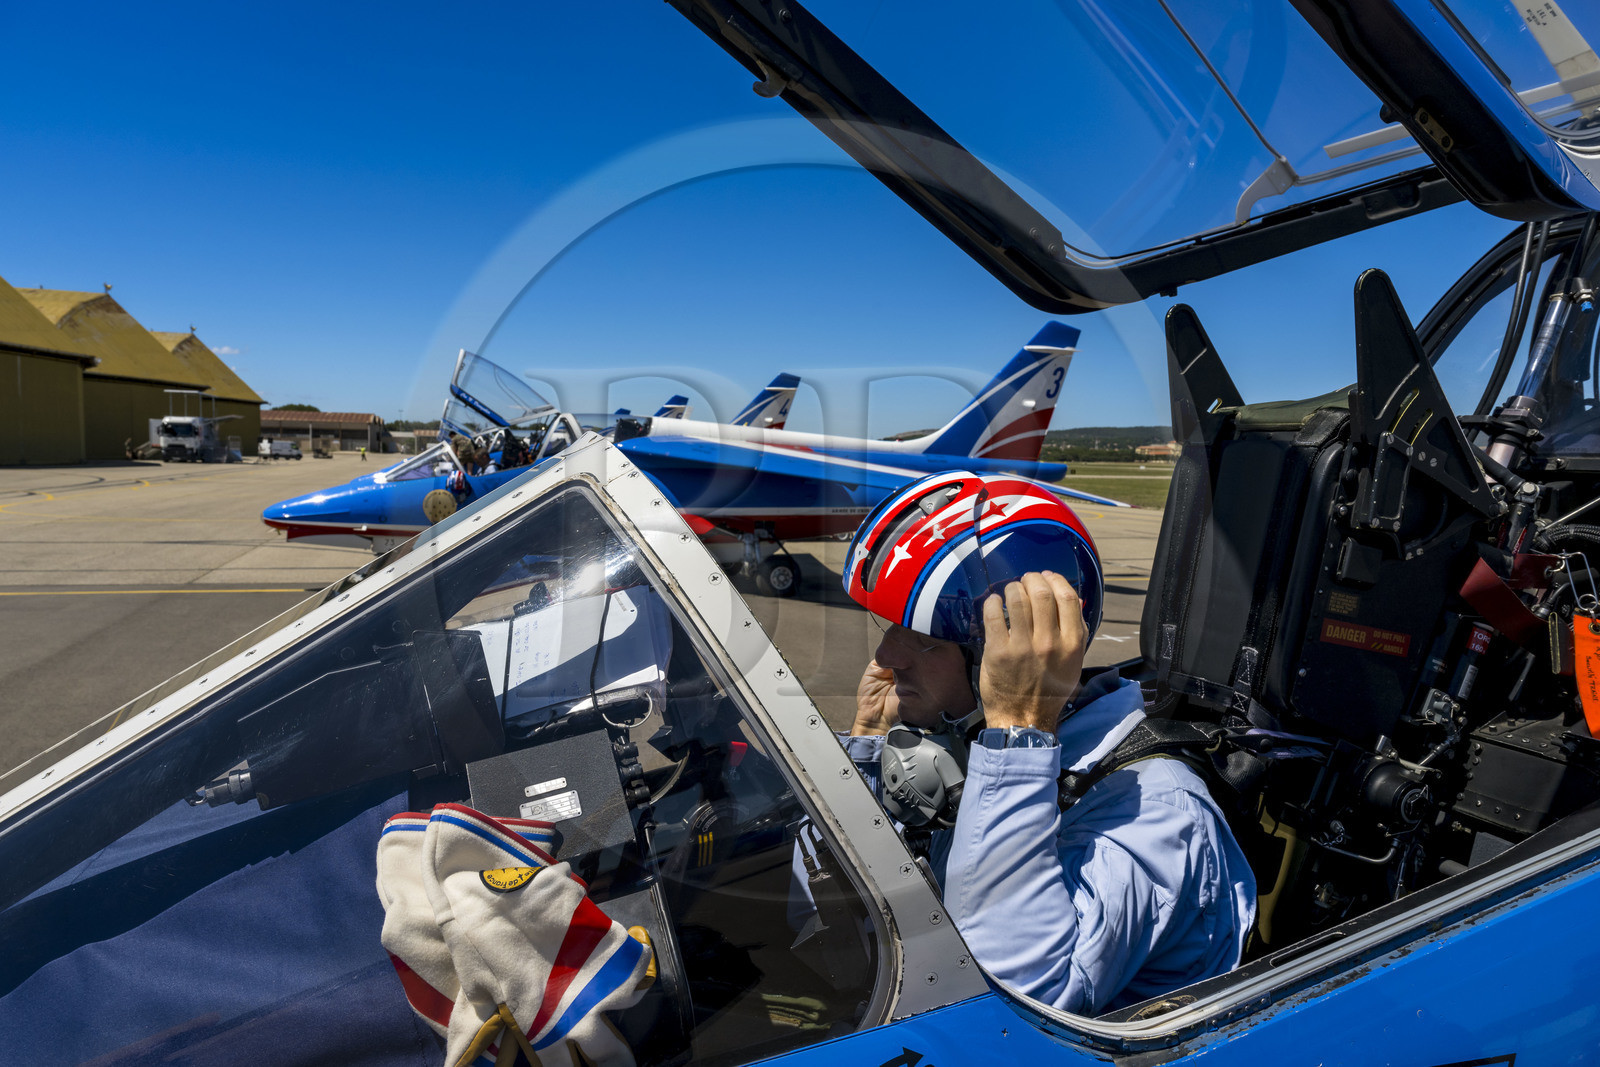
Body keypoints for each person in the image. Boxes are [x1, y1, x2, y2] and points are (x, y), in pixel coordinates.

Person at [839, 471, 1256, 1016]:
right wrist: (869, 747)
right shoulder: (963, 746)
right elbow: (829, 922)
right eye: (889, 627)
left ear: (1009, 655)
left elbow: (1008, 1011)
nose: (887, 658)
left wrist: (1018, 733)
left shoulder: (1158, 812)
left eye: (922, 641)